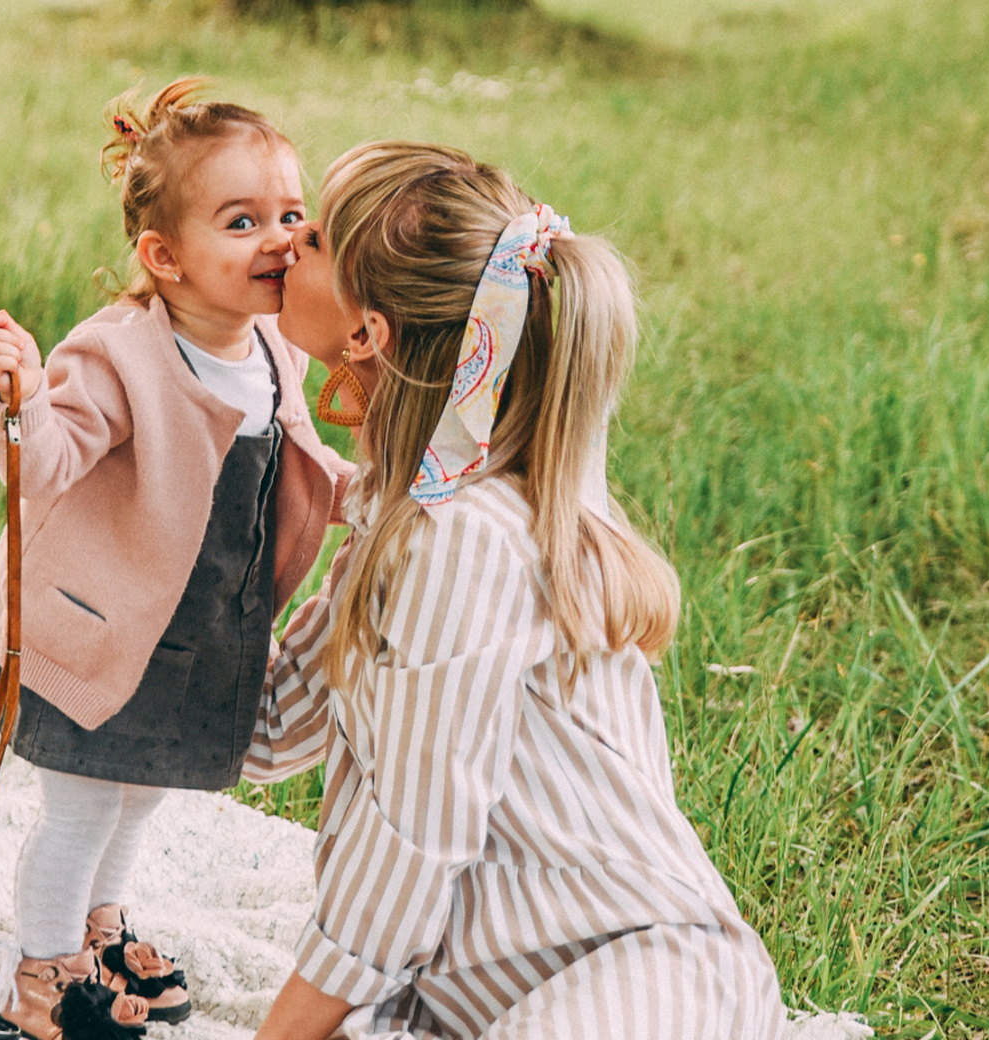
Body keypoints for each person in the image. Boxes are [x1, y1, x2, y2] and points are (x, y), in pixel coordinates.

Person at [251, 142, 785, 1039]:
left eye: (314, 238)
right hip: (488, 996)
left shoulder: (459, 538)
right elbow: (269, 726)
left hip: (648, 975)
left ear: (365, 334)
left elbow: (410, 843)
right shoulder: (401, 516)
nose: (288, 236)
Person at [0, 81, 354, 1040]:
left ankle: (101, 928)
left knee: (142, 789)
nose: (279, 240)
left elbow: (301, 451)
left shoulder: (274, 346)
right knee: (82, 808)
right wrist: (21, 400)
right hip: (102, 630)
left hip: (194, 631)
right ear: (164, 258)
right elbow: (44, 466)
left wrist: (367, 496)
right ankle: (39, 975)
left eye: (291, 216)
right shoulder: (118, 354)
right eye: (241, 221)